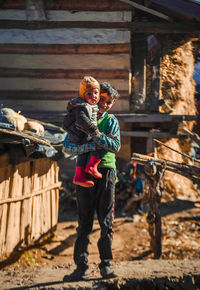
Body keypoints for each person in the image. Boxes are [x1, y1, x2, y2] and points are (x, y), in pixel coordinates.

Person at [63, 82, 120, 281]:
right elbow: (68, 147)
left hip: (106, 173)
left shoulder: (111, 120)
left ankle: (106, 265)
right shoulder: (81, 117)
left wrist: (95, 136)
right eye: (101, 98)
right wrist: (99, 140)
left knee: (106, 221)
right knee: (83, 222)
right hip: (83, 175)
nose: (103, 104)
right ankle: (81, 267)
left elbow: (115, 146)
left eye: (108, 102)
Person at [63, 76, 103, 188]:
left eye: (96, 93)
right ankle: (91, 167)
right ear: (83, 95)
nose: (93, 96)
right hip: (80, 133)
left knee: (84, 152)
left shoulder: (89, 105)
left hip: (82, 134)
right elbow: (82, 119)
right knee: (99, 144)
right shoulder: (82, 106)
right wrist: (93, 129)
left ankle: (79, 176)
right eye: (89, 93)